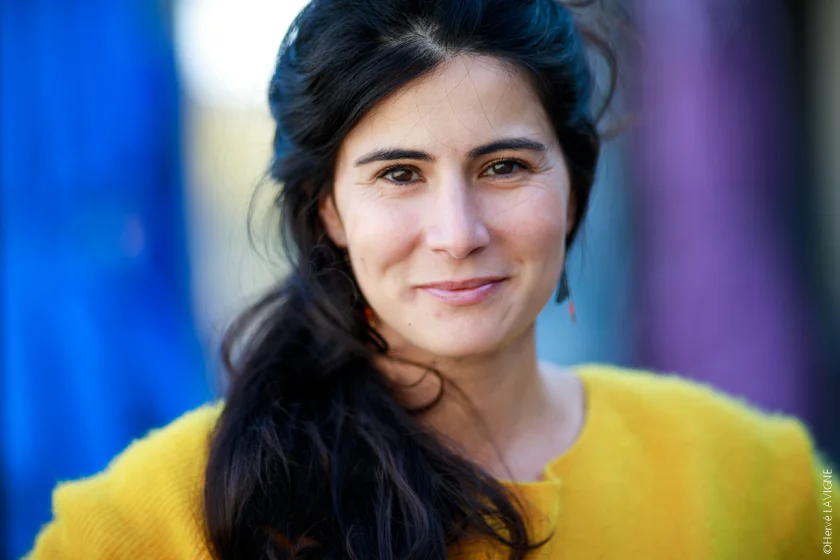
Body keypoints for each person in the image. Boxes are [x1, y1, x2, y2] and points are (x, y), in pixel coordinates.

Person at [27, 0, 831, 558]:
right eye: (400, 175)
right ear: (329, 210)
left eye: (504, 166)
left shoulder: (761, 478)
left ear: (575, 185)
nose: (458, 233)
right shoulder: (173, 512)